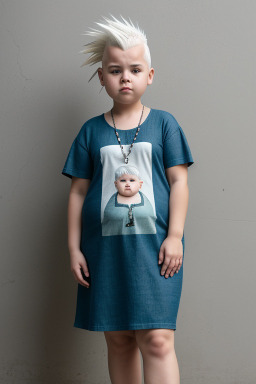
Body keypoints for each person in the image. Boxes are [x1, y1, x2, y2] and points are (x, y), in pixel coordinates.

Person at [61, 14, 194, 384]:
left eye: (135, 69)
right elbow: (78, 193)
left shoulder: (165, 124)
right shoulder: (90, 131)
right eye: (116, 70)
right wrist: (73, 249)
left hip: (156, 251)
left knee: (157, 340)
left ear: (149, 76)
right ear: (102, 77)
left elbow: (179, 182)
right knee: (118, 340)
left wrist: (175, 235)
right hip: (104, 254)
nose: (125, 77)